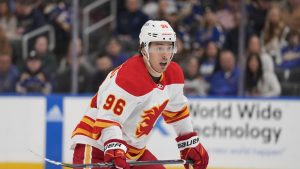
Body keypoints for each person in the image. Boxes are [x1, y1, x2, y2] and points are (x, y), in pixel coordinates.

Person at [71, 20, 209, 169]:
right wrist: (114, 147)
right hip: (96, 145)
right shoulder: (129, 77)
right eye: (159, 48)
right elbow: (109, 119)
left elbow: (178, 112)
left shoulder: (173, 74)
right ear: (144, 49)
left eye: (169, 47)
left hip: (133, 153)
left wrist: (189, 143)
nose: (165, 55)